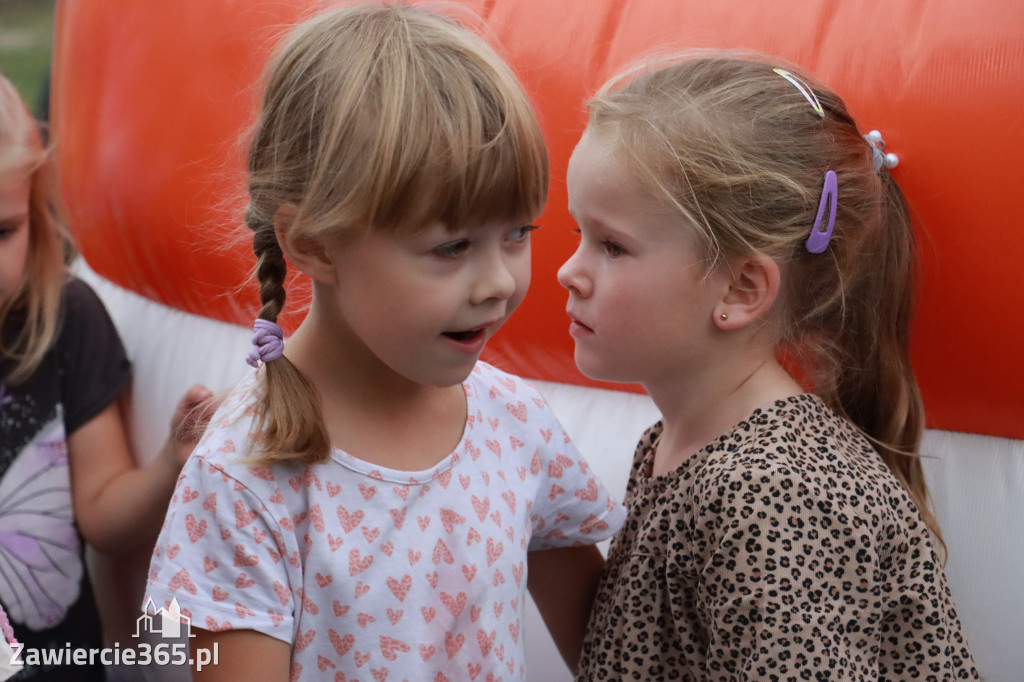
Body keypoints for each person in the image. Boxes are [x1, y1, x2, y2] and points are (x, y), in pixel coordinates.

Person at [144, 4, 625, 681]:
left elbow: (610, 657)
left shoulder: (516, 426)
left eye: (517, 233)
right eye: (451, 247)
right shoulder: (247, 478)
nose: (496, 283)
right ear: (314, 245)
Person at [558, 53, 980, 680]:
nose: (569, 271)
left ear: (740, 291)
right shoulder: (680, 443)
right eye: (577, 233)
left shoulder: (772, 495)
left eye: (612, 245)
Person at [0, 73, 216, 681]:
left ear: (37, 211)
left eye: (3, 232)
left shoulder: (65, 320)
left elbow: (103, 514)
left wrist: (174, 461)